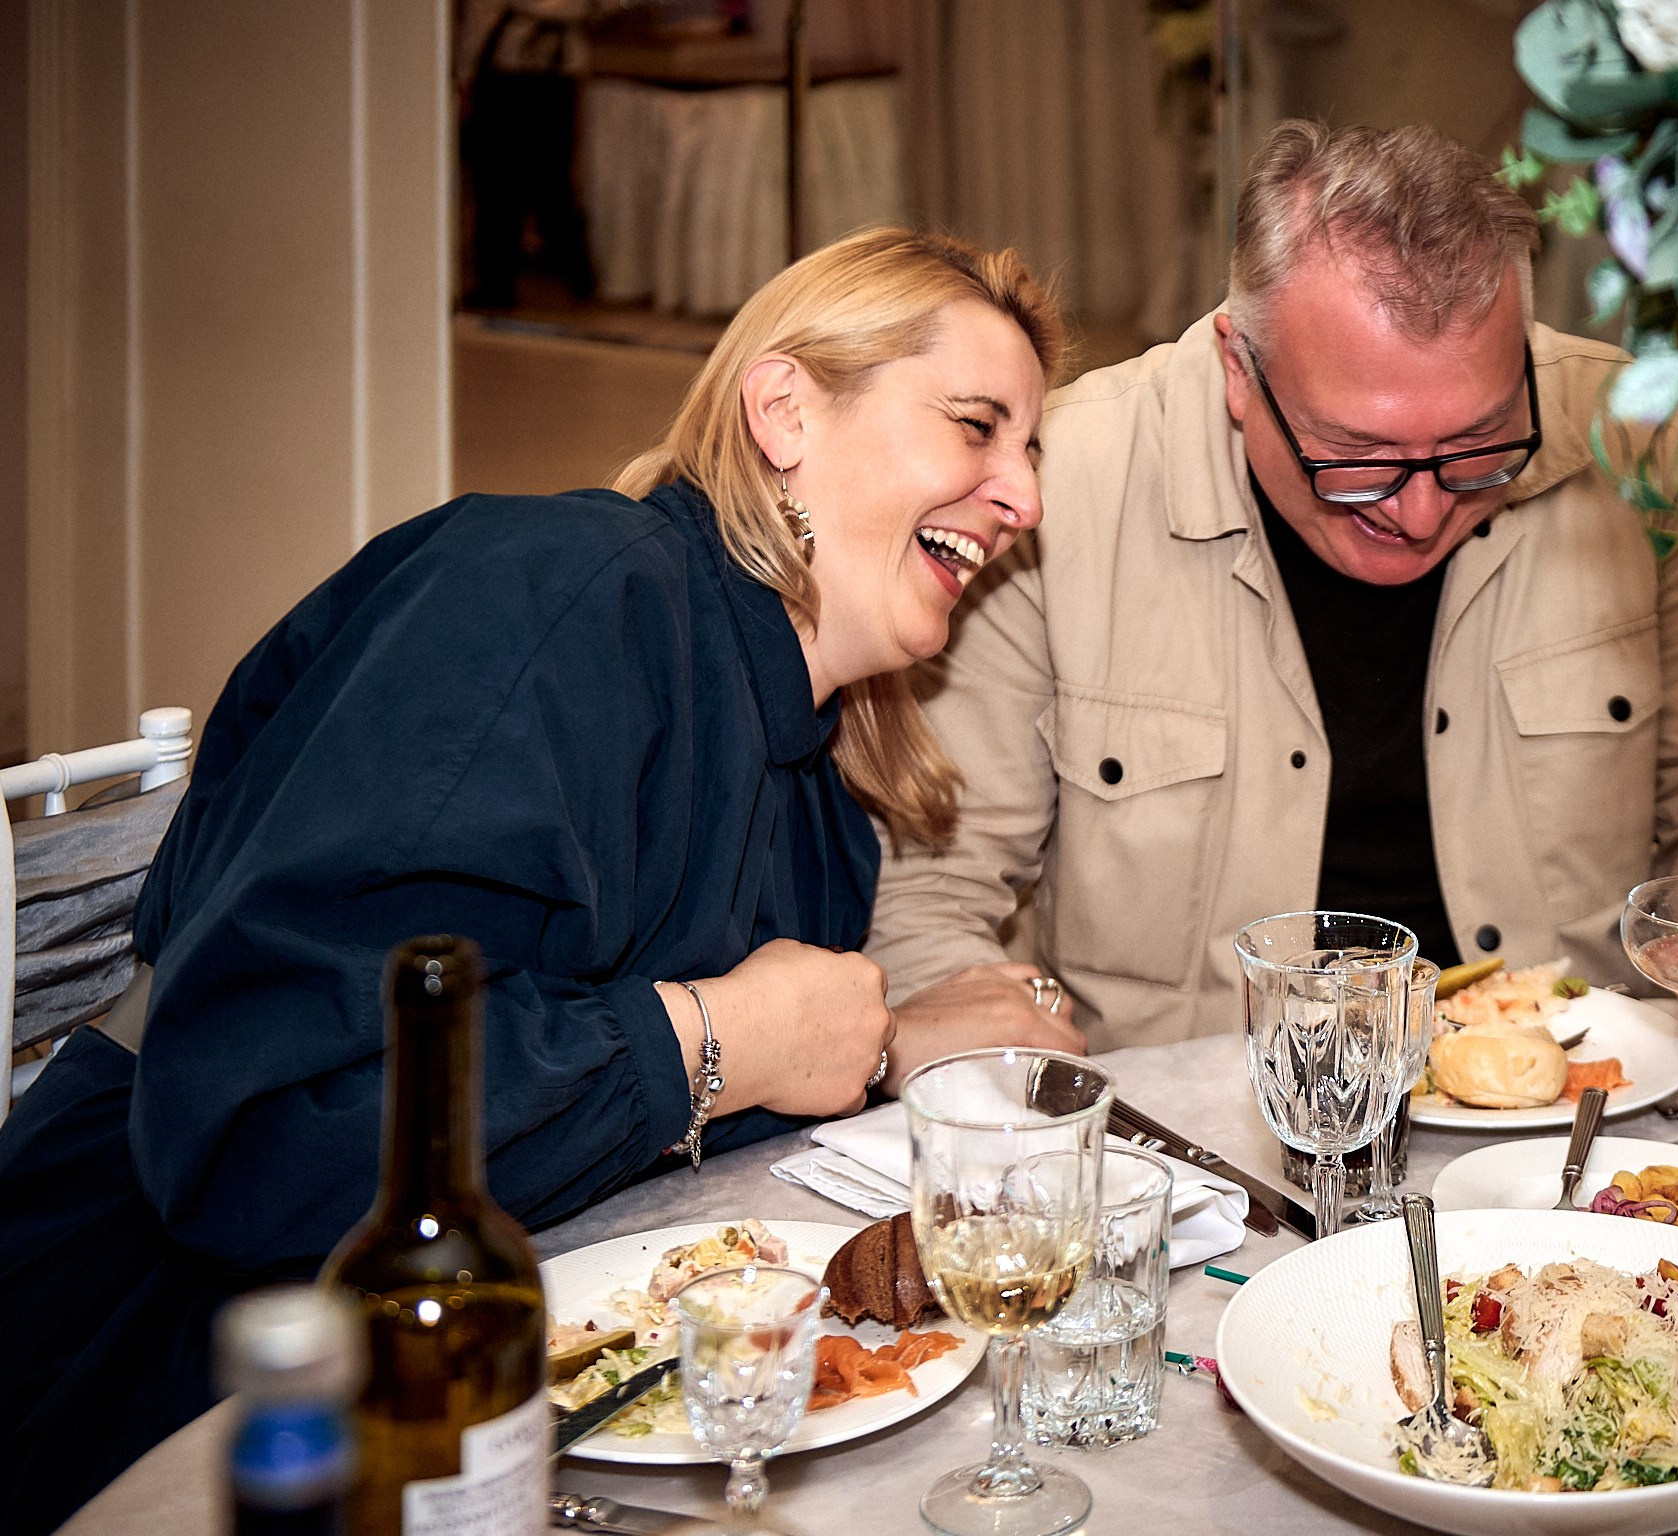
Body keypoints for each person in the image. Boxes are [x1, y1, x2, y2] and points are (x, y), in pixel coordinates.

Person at [0, 226, 1082, 1534]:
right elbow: (267, 1132)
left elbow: (629, 1122)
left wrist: (875, 1041)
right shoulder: (557, 595)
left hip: (480, 1413)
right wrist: (715, 1041)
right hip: (151, 1392)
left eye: (1026, 452)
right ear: (786, 410)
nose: (1022, 497)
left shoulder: (817, 796)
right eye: (978, 427)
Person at [865, 121, 1678, 1077]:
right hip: (1199, 1151)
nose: (1420, 510)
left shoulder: (1626, 444)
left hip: (1573, 1121)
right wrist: (1006, 1058)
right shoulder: (1055, 492)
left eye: (1477, 448)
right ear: (1234, 370)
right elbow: (929, 890)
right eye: (1357, 457)